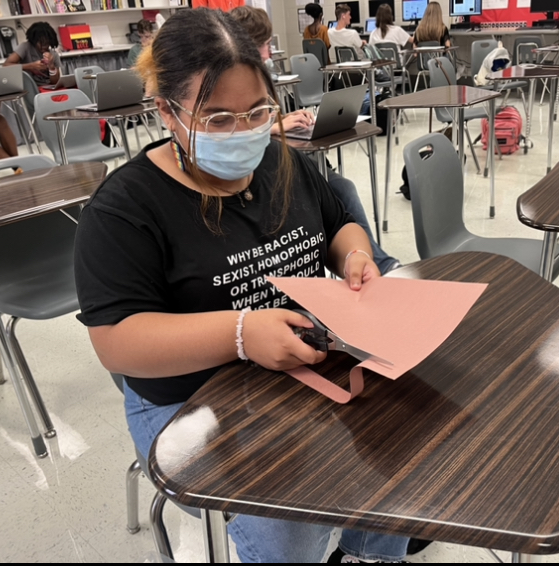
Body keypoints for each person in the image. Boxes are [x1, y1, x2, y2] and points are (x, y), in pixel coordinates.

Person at [74, 8, 408, 564]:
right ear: (167, 112)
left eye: (257, 111)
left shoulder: (281, 161)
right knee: (288, 517)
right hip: (192, 398)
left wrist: (356, 255)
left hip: (301, 366)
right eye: (219, 119)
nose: (244, 131)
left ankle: (368, 553)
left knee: (398, 432)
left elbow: (339, 225)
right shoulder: (125, 209)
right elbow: (117, 340)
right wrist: (240, 334)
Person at [231, 5, 400, 274]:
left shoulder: (261, 79)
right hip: (261, 169)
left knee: (342, 187)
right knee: (336, 190)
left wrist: (283, 120)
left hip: (290, 159)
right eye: (263, 45)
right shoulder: (228, 85)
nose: (269, 52)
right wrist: (274, 128)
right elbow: (229, 130)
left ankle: (377, 261)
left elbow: (261, 117)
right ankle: (382, 264)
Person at [4, 21, 61, 86]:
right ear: (34, 41)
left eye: (47, 43)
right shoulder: (25, 47)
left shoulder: (53, 54)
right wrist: (30, 66)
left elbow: (55, 82)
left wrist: (51, 66)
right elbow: (6, 66)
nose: (45, 46)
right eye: (41, 43)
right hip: (30, 87)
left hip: (48, 89)